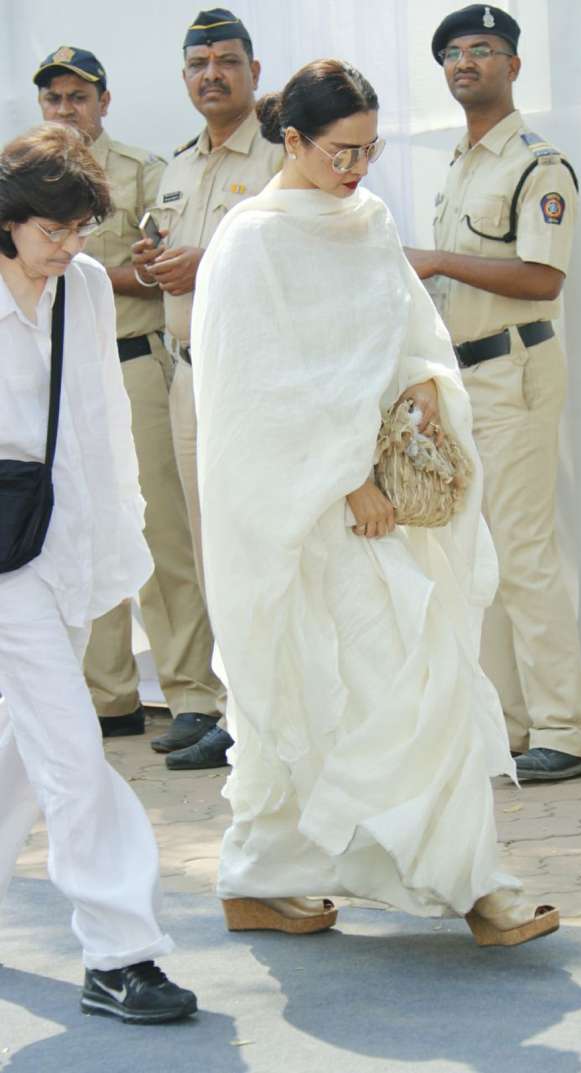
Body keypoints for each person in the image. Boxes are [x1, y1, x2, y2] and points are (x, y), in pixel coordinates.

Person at [191, 59, 559, 945]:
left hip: (382, 506)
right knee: (302, 686)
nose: (356, 169)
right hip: (304, 510)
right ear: (291, 140)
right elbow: (253, 387)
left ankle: (467, 880)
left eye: (369, 150)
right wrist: (345, 479)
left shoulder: (368, 221)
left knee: (417, 675)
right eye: (339, 152)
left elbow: (403, 330)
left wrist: (426, 383)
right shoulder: (250, 240)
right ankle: (263, 877)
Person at [0, 124, 196, 1022]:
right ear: (7, 221)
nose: (70, 248)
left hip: (64, 540)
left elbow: (102, 423)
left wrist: (115, 545)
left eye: (79, 230)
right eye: (52, 232)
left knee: (23, 740)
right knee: (74, 748)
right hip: (4, 563)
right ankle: (120, 952)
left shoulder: (80, 287)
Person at [405, 4, 581, 782]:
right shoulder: (461, 162)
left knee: (523, 551)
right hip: (465, 376)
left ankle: (570, 727)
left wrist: (436, 262)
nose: (465, 63)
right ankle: (511, 725)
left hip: (516, 369)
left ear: (513, 66)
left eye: (482, 50)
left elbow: (542, 276)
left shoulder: (536, 163)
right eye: (453, 53)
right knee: (477, 556)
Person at [34, 45, 225, 750]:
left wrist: (66, 266)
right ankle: (106, 695)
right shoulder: (19, 174)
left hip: (129, 364)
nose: (65, 110)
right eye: (53, 98)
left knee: (158, 534)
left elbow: (161, 276)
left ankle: (191, 694)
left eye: (78, 97)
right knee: (71, 535)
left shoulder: (144, 173)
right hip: (49, 376)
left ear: (103, 102)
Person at [132, 8, 283, 769]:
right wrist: (154, 258)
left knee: (259, 544)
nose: (211, 75)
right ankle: (225, 703)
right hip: (189, 377)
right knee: (207, 548)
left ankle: (267, 711)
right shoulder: (179, 165)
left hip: (254, 377)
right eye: (197, 64)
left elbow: (299, 257)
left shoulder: (283, 156)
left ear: (254, 71)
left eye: (226, 61)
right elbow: (168, 256)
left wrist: (209, 261)